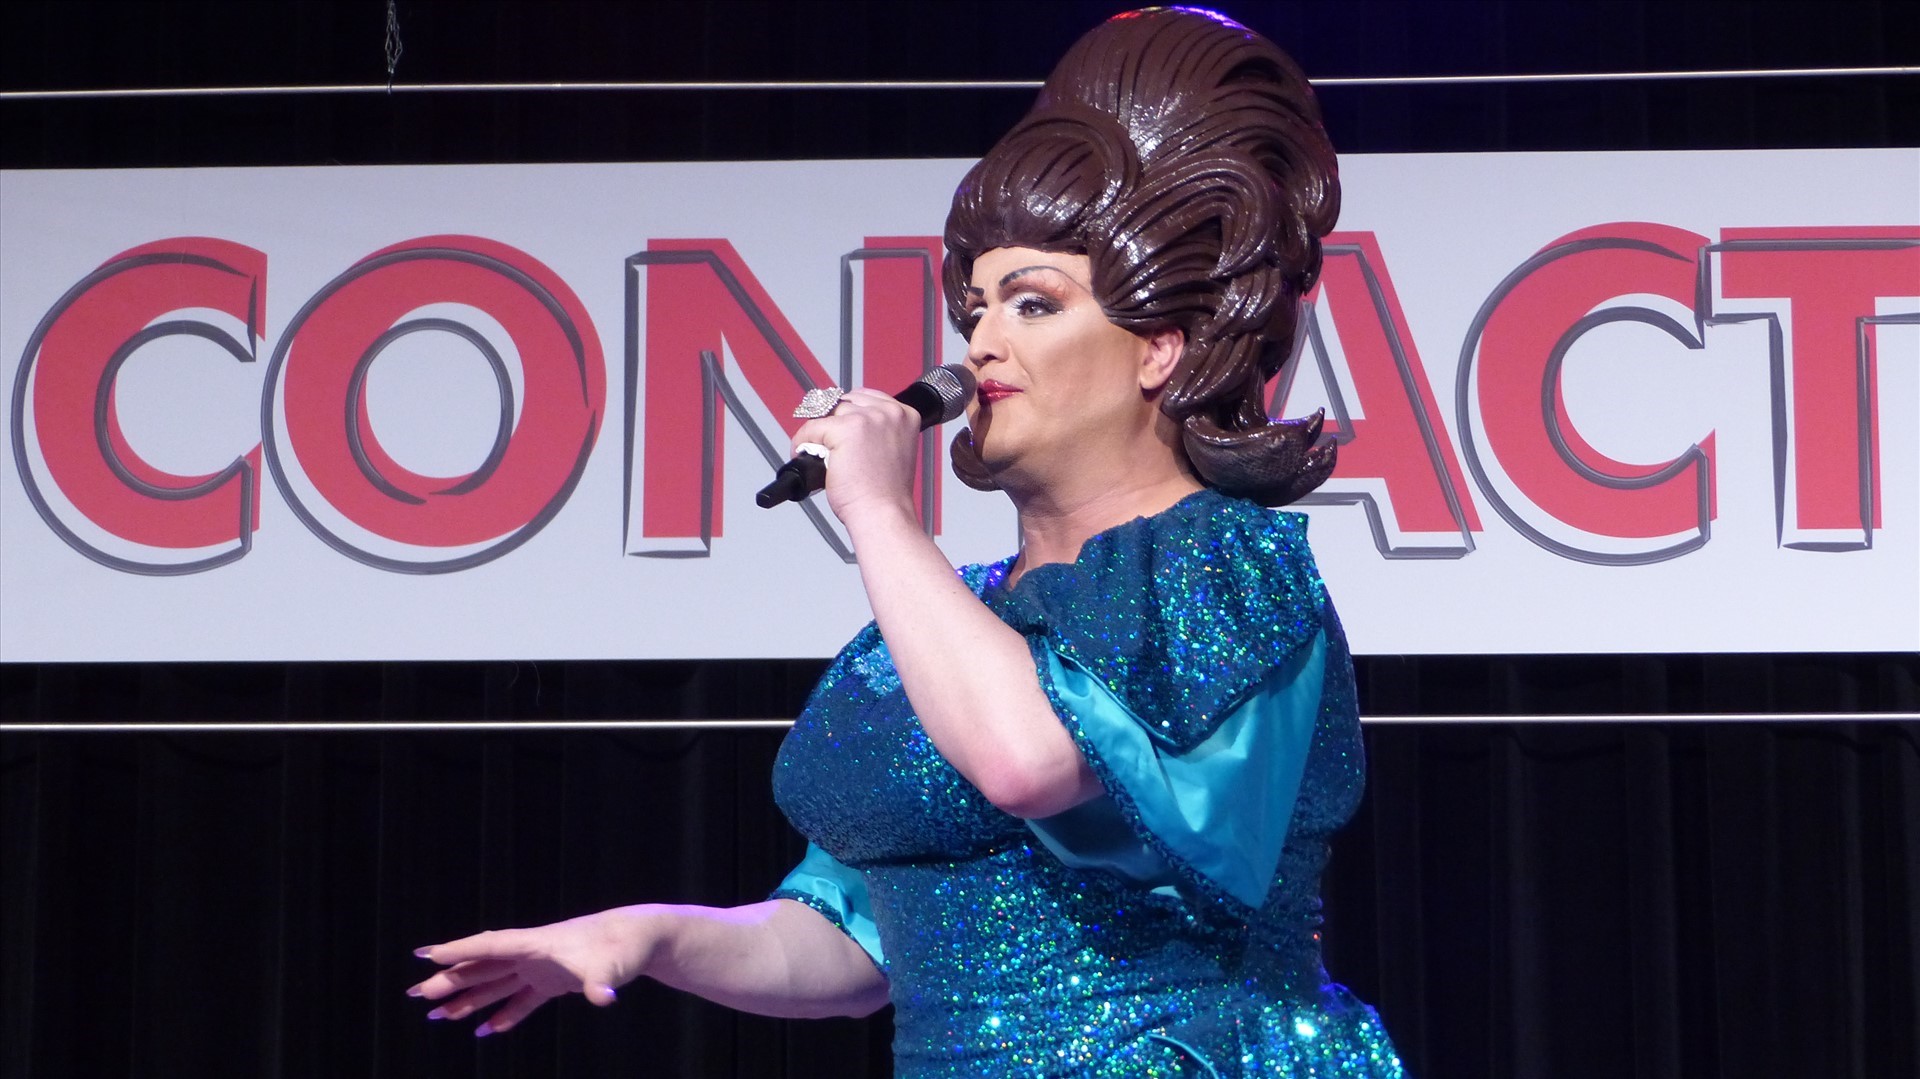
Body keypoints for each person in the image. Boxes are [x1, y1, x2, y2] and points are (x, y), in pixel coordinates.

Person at [411, 8, 1404, 1075]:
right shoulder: (946, 623)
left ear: (1160, 347)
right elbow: (850, 944)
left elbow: (1028, 759)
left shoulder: (1229, 568)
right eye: (974, 309)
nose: (980, 344)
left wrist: (881, 512)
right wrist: (645, 935)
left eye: (1032, 305)